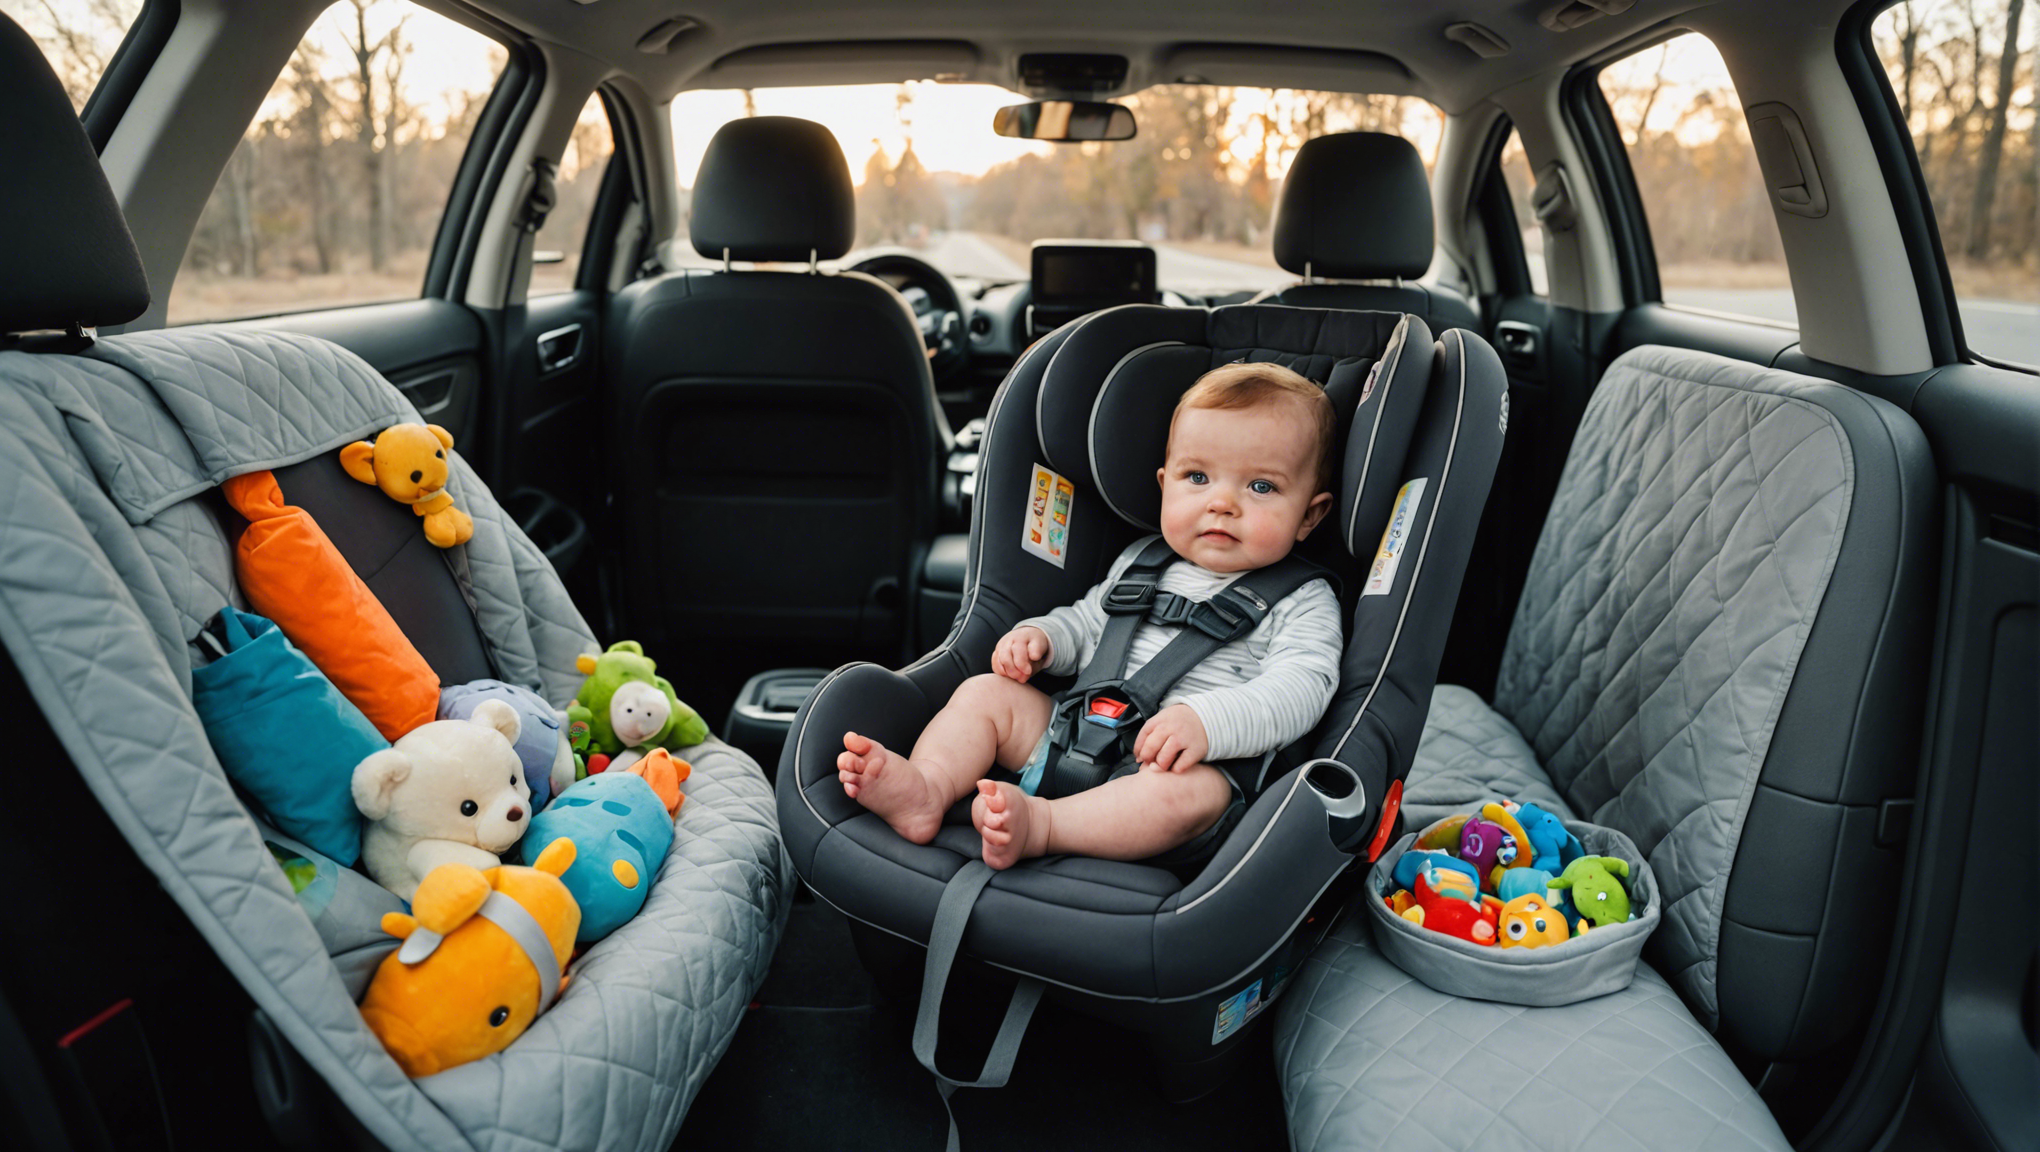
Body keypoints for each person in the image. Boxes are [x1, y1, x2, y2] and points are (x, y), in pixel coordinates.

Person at [838, 362, 1345, 869]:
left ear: (1309, 515)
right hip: (1073, 733)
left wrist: (1207, 724)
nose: (1221, 503)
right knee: (983, 695)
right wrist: (1044, 638)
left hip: (1183, 768)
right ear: (1165, 483)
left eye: (1261, 487)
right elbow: (1088, 624)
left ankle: (1044, 826)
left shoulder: (1303, 599)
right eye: (1197, 477)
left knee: (1189, 797)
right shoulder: (1143, 562)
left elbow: (1303, 689)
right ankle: (929, 787)